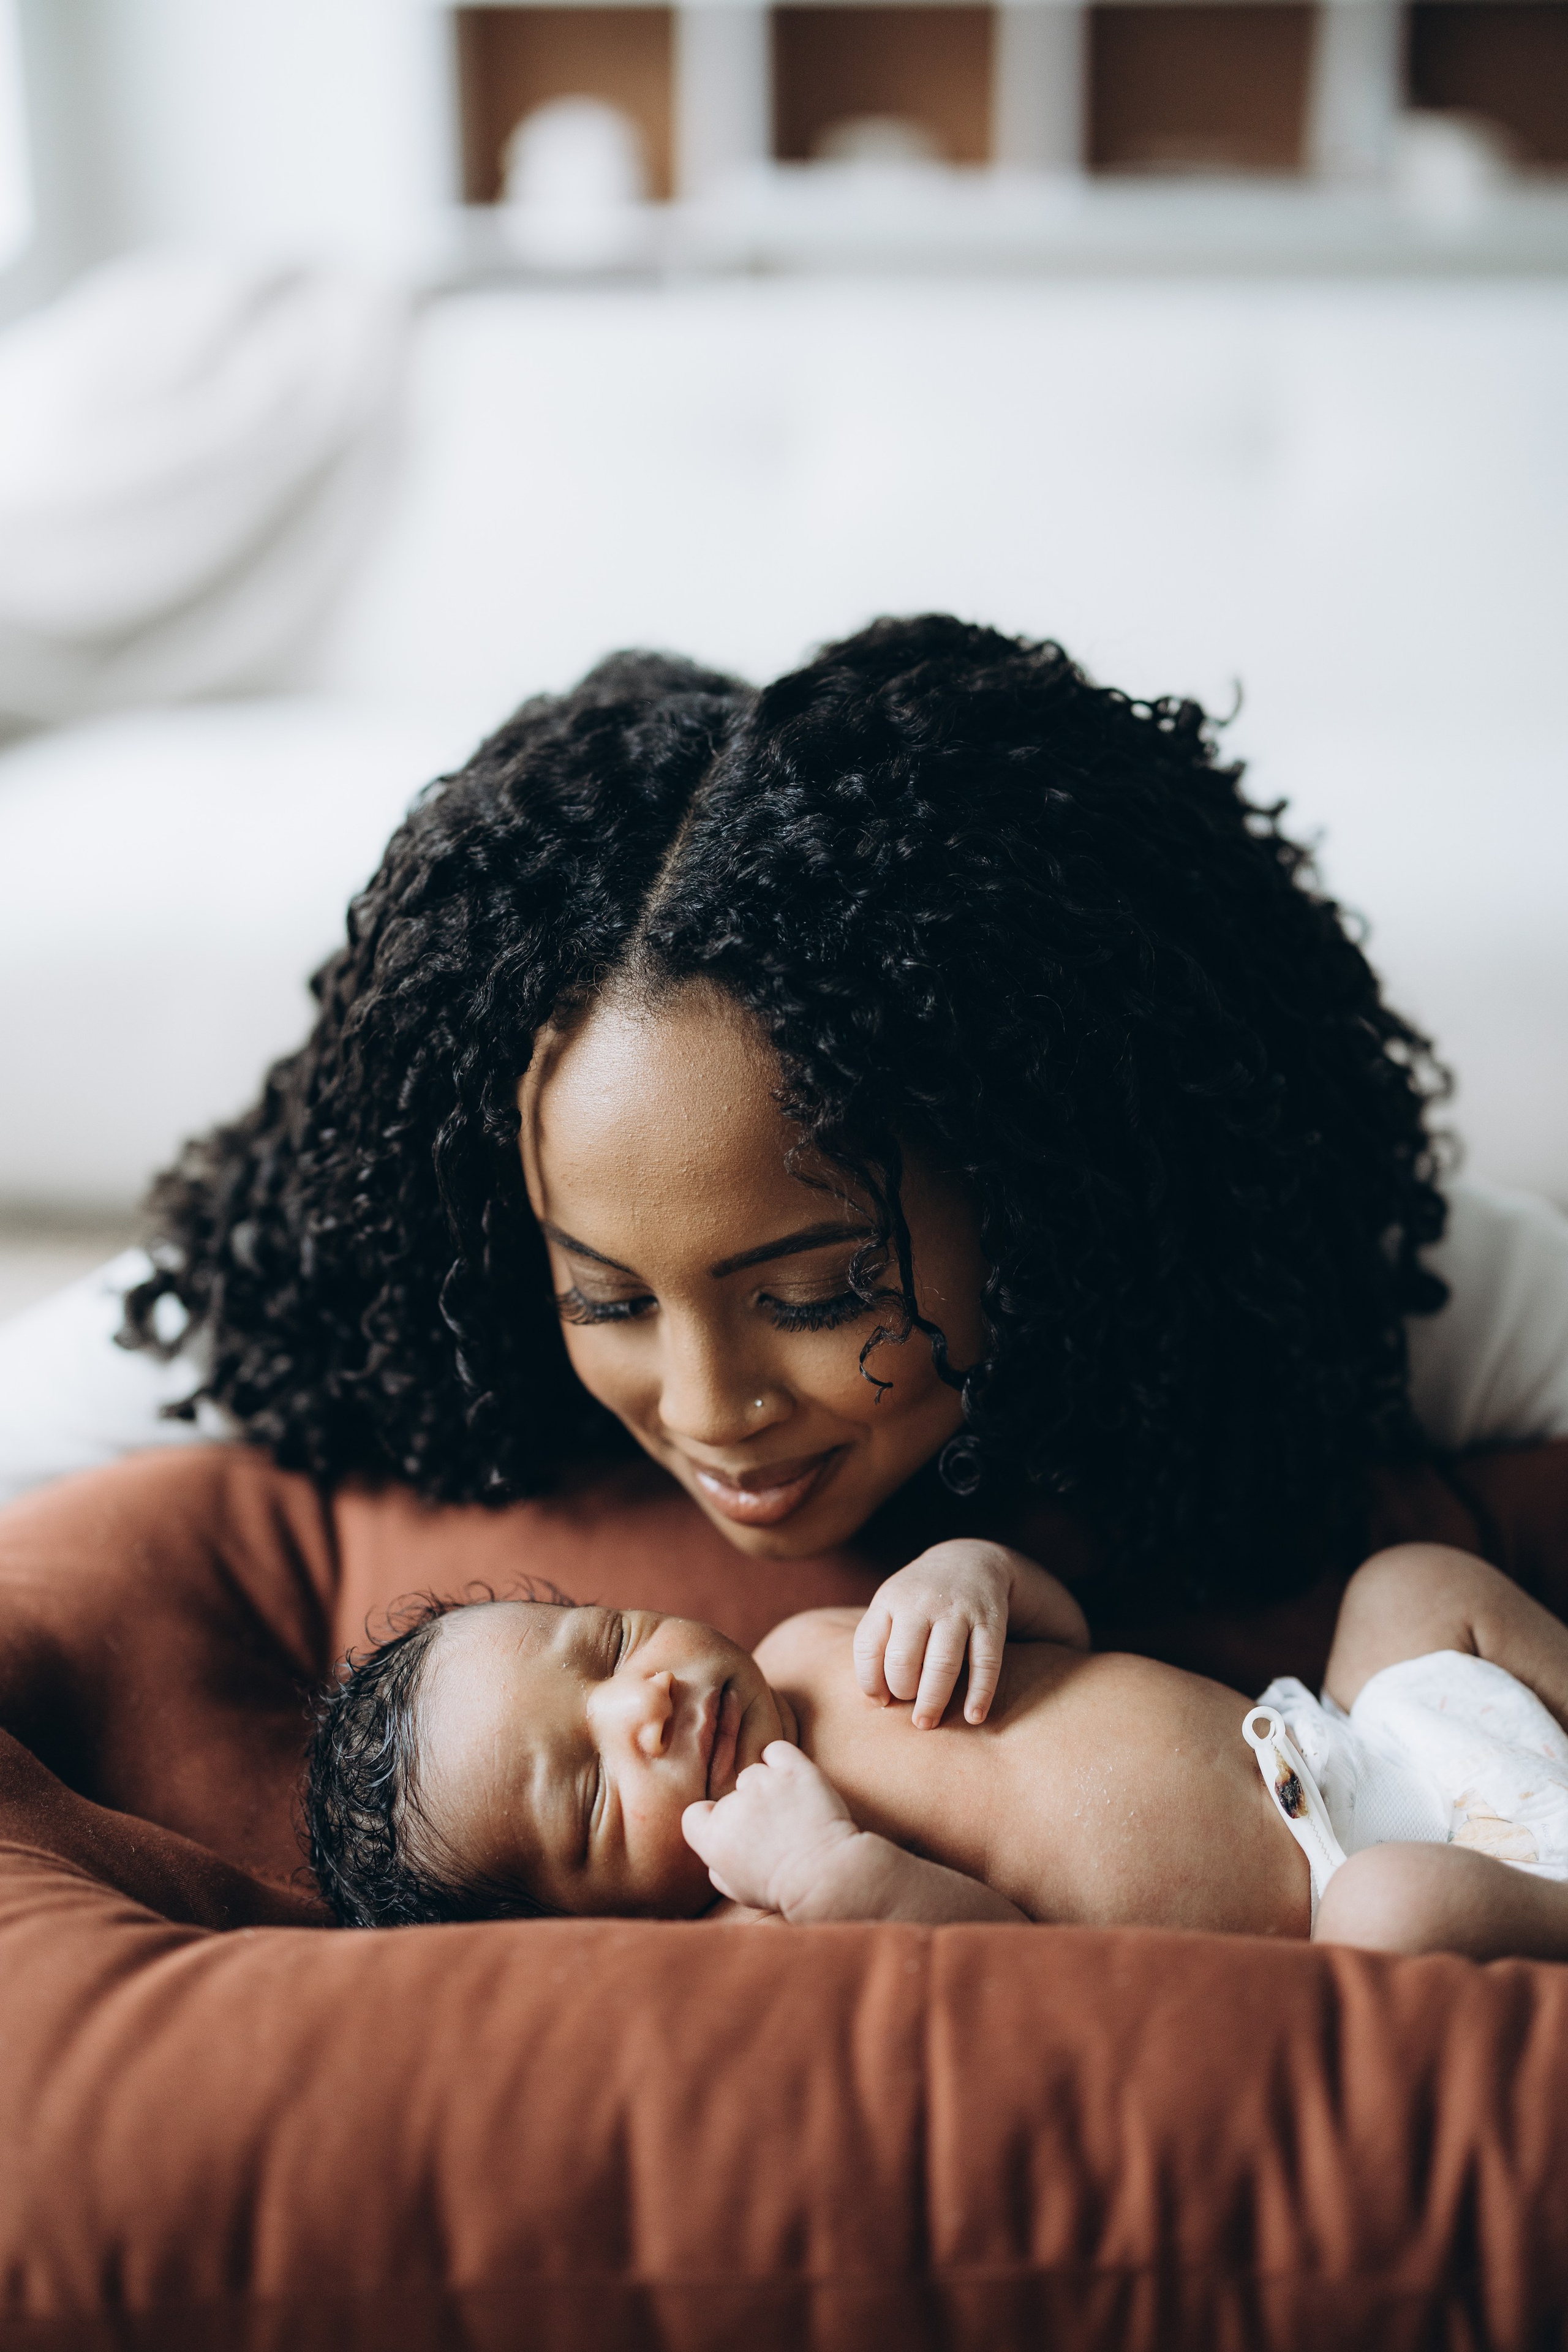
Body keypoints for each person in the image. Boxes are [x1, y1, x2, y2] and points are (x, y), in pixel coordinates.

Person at [111, 616, 1484, 1625]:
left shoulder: (1298, 1268)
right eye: (604, 1298)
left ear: (1044, 1193)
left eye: (821, 1294)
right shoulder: (370, 1293)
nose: (711, 1411)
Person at [304, 1535, 1568, 1961]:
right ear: (580, 1928)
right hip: (1348, 1881)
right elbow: (1006, 1973)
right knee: (1388, 1916)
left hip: (1332, 1731)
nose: (641, 1706)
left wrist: (973, 1576)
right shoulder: (768, 1914)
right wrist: (831, 1878)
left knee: (1405, 1584)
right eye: (587, 1794)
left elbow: (1065, 1639)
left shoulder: (807, 1640)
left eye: (606, 1643)